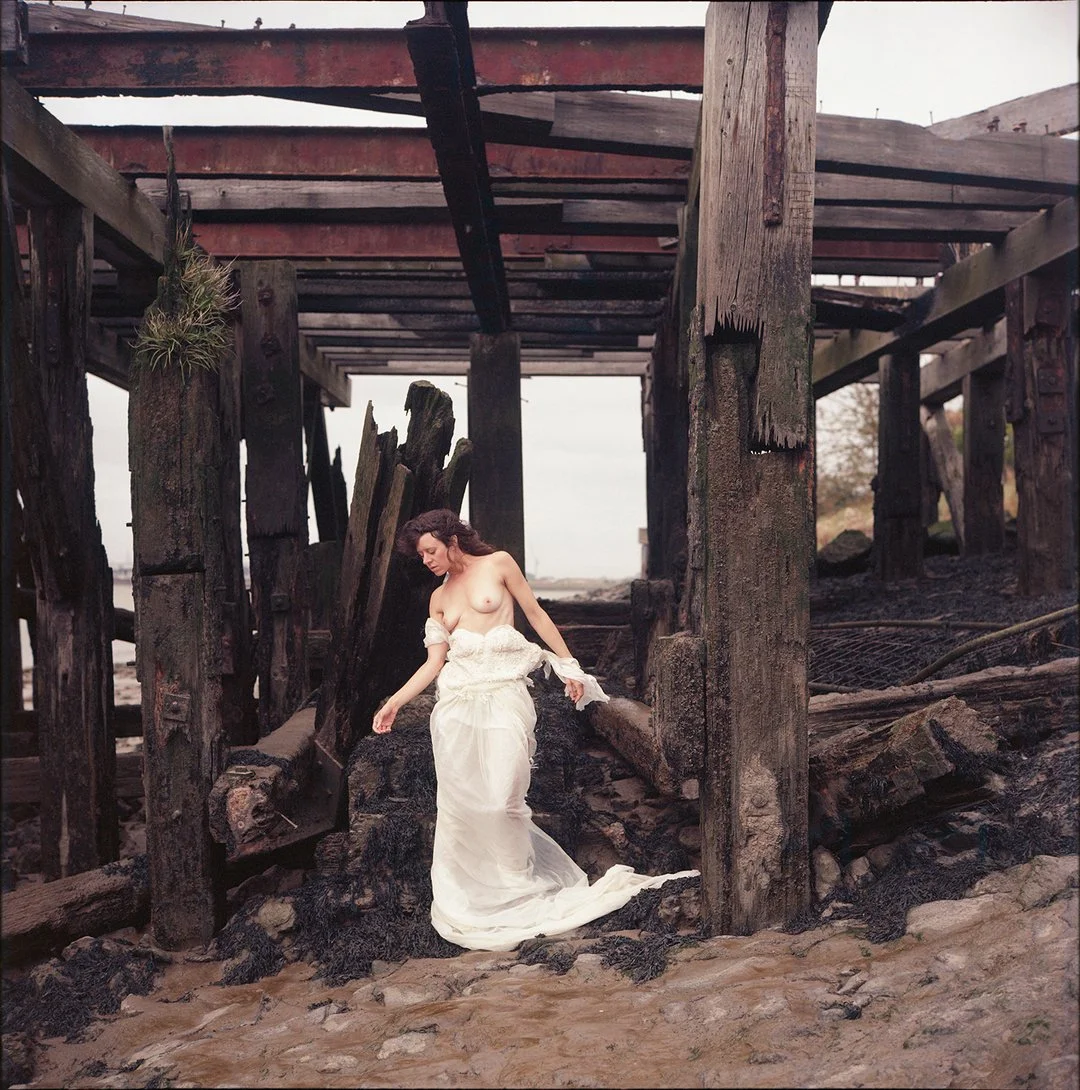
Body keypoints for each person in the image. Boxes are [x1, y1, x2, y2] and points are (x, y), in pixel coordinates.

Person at [372, 508, 697, 952]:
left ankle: (517, 884)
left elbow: (538, 617)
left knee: (505, 796)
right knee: (464, 805)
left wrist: (568, 665)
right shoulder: (438, 598)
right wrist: (393, 702)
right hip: (456, 709)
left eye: (430, 551)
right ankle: (486, 891)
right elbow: (434, 663)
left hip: (506, 697)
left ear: (451, 540)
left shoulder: (499, 564)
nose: (426, 560)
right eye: (421, 556)